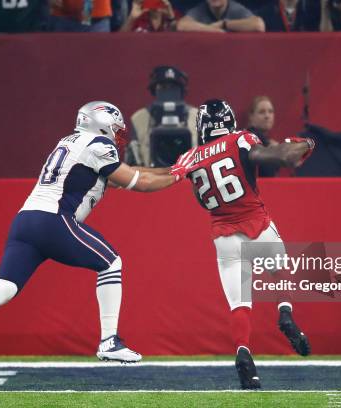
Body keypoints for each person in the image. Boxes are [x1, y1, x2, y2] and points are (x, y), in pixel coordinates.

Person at [0, 101, 193, 374]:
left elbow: (132, 175)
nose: (117, 136)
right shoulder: (98, 145)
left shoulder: (70, 142)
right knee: (111, 263)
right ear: (101, 123)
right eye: (115, 129)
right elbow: (141, 183)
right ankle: (109, 341)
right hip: (53, 220)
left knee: (4, 286)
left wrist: (174, 169)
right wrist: (178, 175)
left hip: (25, 221)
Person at [182, 99, 313, 389]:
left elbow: (200, 199)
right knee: (279, 271)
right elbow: (264, 158)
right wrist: (302, 145)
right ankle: (285, 313)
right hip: (257, 224)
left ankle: (243, 351)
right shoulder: (241, 138)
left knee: (239, 303)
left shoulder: (191, 157)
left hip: (224, 235)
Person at [127, 65, 198, 167]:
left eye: (173, 87)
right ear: (154, 90)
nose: (168, 91)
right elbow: (133, 159)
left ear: (182, 90)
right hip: (150, 176)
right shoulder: (139, 118)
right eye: (163, 87)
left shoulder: (197, 116)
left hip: (189, 175)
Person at [177, 0, 265, 32]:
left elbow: (259, 25)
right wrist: (214, 30)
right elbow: (182, 25)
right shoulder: (201, 9)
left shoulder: (235, 8)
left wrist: (224, 24)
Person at [246, 96, 280, 177]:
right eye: (262, 112)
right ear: (251, 116)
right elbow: (267, 174)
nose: (267, 116)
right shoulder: (249, 139)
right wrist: (275, 152)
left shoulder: (266, 141)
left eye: (270, 111)